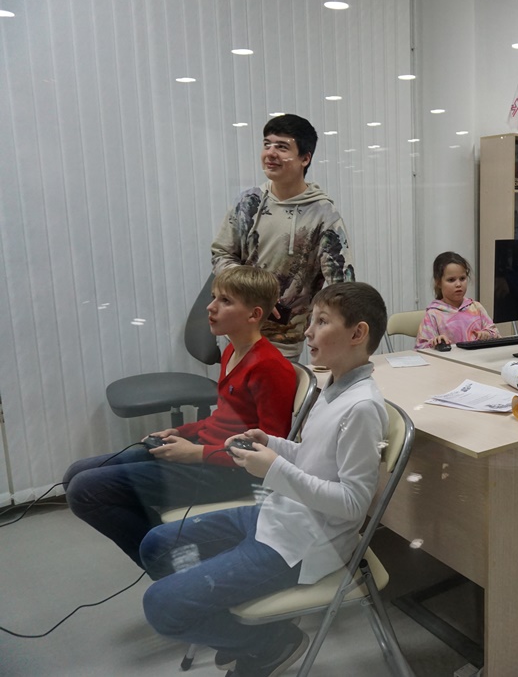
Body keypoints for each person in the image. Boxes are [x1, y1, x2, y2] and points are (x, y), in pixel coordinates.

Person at [139, 282, 390, 677]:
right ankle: (246, 627)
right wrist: (272, 444)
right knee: (155, 545)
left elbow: (354, 503)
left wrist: (274, 468)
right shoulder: (333, 387)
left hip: (303, 546)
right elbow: (315, 460)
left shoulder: (362, 408)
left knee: (160, 606)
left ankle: (268, 643)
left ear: (358, 333)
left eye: (322, 322)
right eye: (311, 320)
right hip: (277, 515)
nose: (308, 331)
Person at [63, 266, 296, 567]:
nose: (210, 307)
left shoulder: (269, 367)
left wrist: (197, 453)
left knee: (85, 490)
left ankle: (171, 564)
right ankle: (174, 549)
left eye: (225, 301)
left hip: (231, 473)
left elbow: (268, 451)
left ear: (254, 315)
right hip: (206, 453)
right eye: (214, 297)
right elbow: (225, 418)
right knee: (75, 474)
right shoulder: (231, 352)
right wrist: (183, 432)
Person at [212, 114, 357, 361]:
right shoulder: (248, 202)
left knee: (274, 387)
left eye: (281, 147)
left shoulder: (324, 215)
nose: (270, 153)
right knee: (234, 386)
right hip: (237, 329)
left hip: (283, 339)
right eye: (266, 144)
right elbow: (222, 253)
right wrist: (252, 291)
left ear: (305, 158)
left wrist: (331, 339)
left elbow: (341, 285)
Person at [416, 251, 500, 349]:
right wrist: (435, 343)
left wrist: (487, 334)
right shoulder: (433, 314)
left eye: (462, 278)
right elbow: (421, 347)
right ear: (438, 282)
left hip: (478, 357)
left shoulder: (476, 307)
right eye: (451, 280)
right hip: (449, 359)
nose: (459, 284)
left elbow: (496, 333)